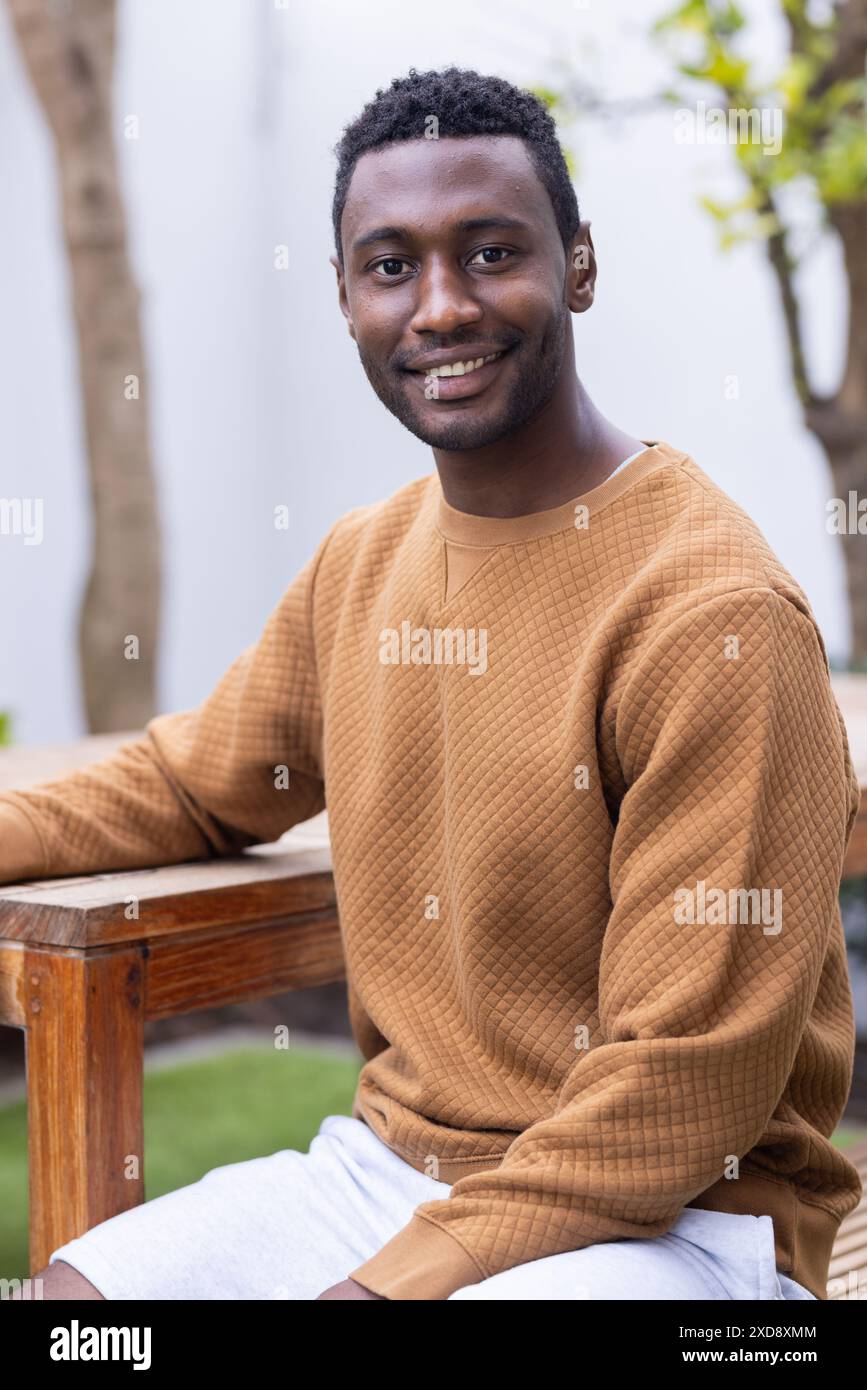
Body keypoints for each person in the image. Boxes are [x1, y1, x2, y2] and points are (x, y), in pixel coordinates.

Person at [3, 66, 861, 1302]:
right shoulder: (362, 562)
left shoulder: (716, 613)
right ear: (347, 297)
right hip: (389, 1172)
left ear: (579, 266)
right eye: (392, 266)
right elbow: (191, 790)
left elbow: (684, 1089)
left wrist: (384, 1289)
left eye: (491, 251)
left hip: (682, 1223)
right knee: (77, 1319)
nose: (441, 306)